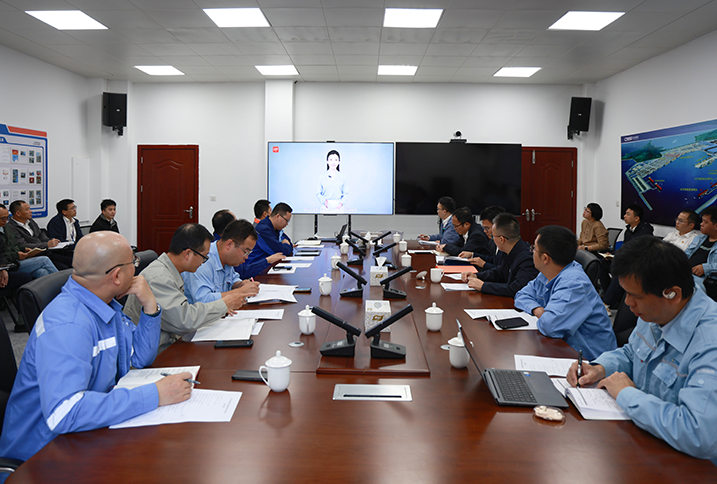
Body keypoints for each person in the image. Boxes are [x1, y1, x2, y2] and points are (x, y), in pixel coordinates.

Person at [0, 232, 193, 464]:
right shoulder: (69, 324)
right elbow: (64, 412)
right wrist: (155, 395)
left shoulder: (104, 305)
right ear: (117, 275)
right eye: (134, 263)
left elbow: (140, 357)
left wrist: (150, 306)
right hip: (41, 457)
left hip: (84, 436)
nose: (137, 270)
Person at [567, 236, 717, 465]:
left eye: (635, 296)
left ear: (672, 294)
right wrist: (600, 368)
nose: (627, 303)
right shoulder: (658, 312)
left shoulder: (709, 343)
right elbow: (632, 353)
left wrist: (627, 394)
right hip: (644, 442)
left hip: (688, 467)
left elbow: (698, 433)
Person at [124, 224, 250, 353]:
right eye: (204, 257)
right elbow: (183, 320)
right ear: (188, 254)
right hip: (156, 354)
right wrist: (224, 304)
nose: (203, 262)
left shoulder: (170, 270)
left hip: (171, 343)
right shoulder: (159, 278)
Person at [514, 225, 617, 360]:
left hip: (590, 360)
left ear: (545, 258)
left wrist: (543, 315)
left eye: (534, 248)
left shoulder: (573, 283)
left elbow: (550, 326)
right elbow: (521, 295)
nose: (531, 252)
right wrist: (538, 310)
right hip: (561, 346)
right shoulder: (547, 272)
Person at [183, 219, 260, 305]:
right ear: (229, 244)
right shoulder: (202, 260)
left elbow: (232, 278)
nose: (246, 257)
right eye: (246, 252)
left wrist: (239, 284)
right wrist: (240, 291)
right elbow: (204, 301)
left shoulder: (228, 259)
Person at [461, 213, 538, 297]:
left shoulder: (527, 258)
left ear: (502, 239)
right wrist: (476, 276)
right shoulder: (510, 250)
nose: (492, 239)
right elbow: (499, 272)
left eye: (493, 236)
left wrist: (483, 286)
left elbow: (516, 288)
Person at [601, 204, 654, 309]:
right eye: (625, 213)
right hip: (626, 261)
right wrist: (612, 255)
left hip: (638, 265)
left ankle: (606, 304)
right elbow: (625, 247)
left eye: (628, 214)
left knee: (621, 273)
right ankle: (609, 295)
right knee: (603, 263)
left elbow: (640, 252)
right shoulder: (629, 230)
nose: (624, 216)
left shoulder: (645, 232)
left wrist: (620, 257)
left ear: (636, 218)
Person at [211, 209, 285, 279]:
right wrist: (267, 261)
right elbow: (242, 271)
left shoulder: (223, 245)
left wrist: (238, 283)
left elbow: (233, 277)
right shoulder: (217, 253)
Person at [6, 200, 72, 270]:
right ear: (18, 213)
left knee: (70, 261)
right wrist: (46, 244)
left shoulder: (30, 221)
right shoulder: (11, 227)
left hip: (45, 252)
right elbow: (24, 245)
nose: (30, 211)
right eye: (27, 209)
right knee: (63, 268)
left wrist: (51, 241)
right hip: (33, 256)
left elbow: (40, 234)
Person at [0, 205, 58, 279]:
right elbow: (2, 254)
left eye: (7, 218)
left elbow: (15, 243)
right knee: (44, 260)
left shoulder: (6, 227)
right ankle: (65, 284)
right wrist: (16, 255)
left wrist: (24, 248)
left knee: (42, 272)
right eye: (3, 218)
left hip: (17, 260)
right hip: (9, 264)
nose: (6, 221)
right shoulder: (11, 226)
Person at [244, 203, 294, 269]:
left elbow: (289, 243)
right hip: (254, 267)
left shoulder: (276, 228)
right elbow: (281, 251)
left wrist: (286, 245)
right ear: (277, 216)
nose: (287, 224)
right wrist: (286, 244)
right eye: (286, 220)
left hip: (266, 266)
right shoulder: (263, 229)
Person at [684, 206, 717, 292]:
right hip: (686, 276)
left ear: (716, 226)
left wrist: (705, 268)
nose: (701, 224)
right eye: (702, 221)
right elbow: (685, 255)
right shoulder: (698, 239)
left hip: (707, 283)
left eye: (705, 222)